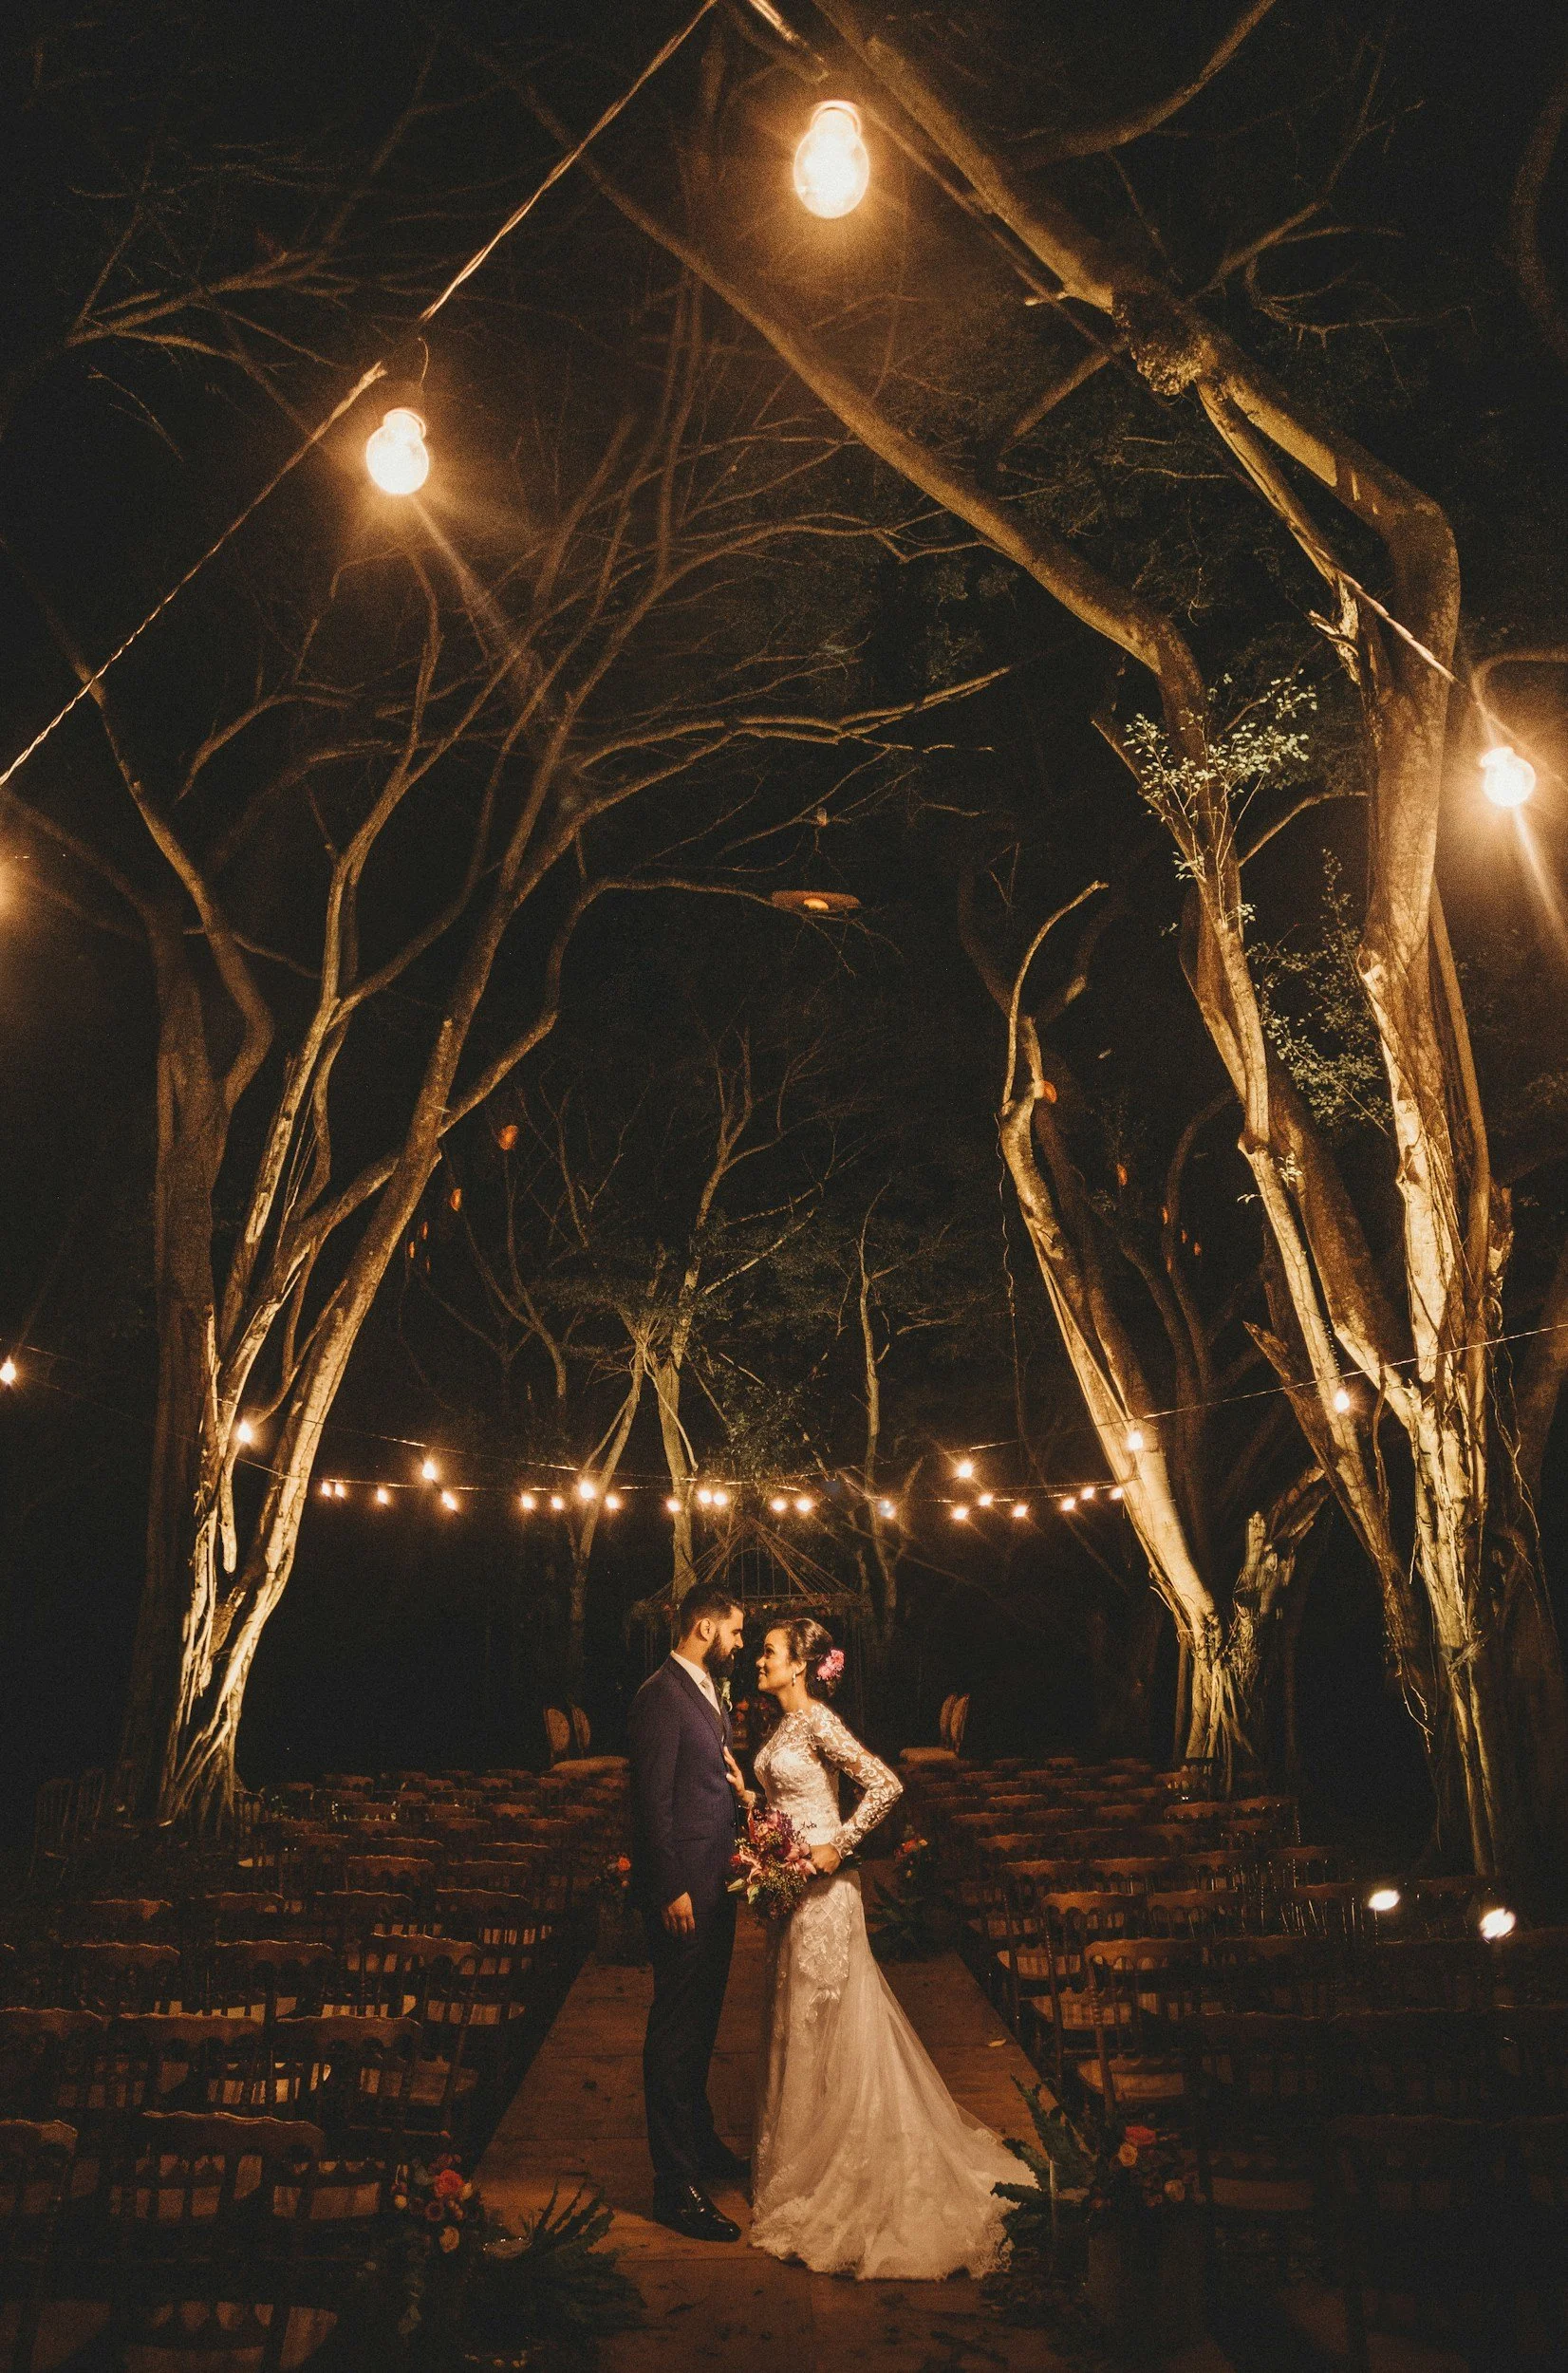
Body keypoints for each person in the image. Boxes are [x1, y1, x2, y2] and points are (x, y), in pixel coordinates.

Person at [743, 1616, 1029, 2278]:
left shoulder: (816, 1720)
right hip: (790, 1898)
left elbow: (885, 1784)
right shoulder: (778, 1725)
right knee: (796, 2026)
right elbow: (784, 1799)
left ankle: (846, 2169)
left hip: (824, 1895)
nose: (758, 1660)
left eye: (769, 1653)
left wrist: (835, 1846)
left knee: (831, 2024)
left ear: (799, 1666)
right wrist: (758, 1831)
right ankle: (799, 2163)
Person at [625, 1581, 752, 2242]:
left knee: (701, 2024)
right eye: (733, 1631)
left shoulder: (704, 1688)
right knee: (675, 2031)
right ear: (703, 1626)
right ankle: (674, 2186)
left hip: (714, 1883)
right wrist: (670, 1884)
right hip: (683, 1892)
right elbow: (651, 1803)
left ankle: (699, 2147)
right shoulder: (659, 1697)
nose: (739, 1643)